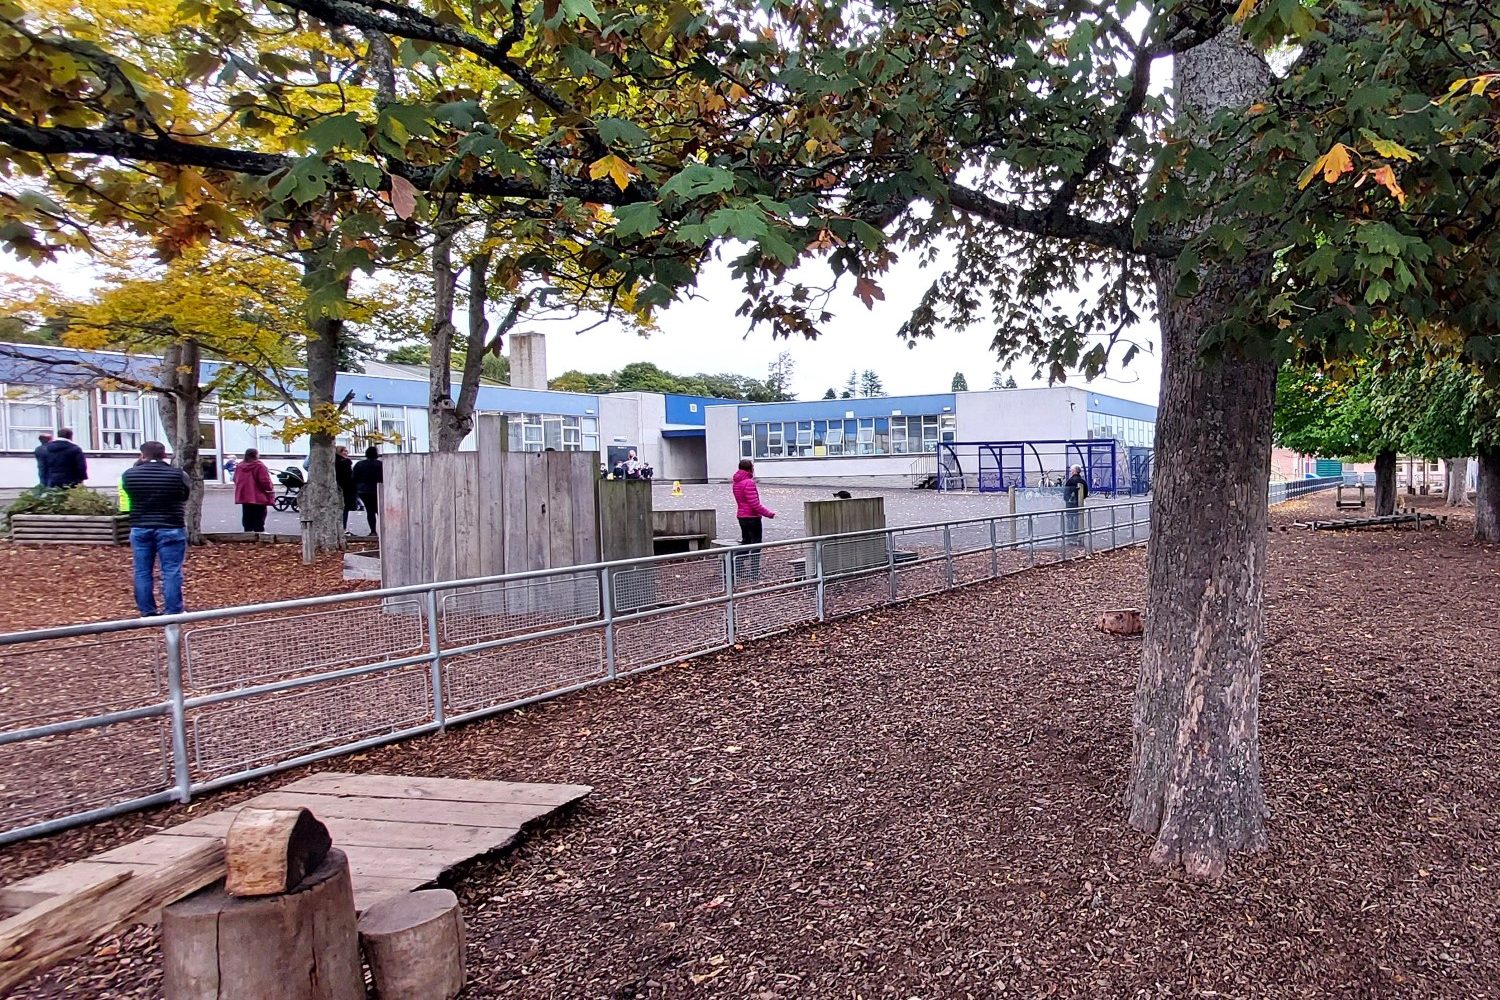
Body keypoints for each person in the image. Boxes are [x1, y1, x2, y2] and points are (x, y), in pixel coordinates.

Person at [120, 441, 191, 617]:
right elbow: (184, 495)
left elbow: (130, 495)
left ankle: (147, 610)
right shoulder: (177, 474)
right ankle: (173, 609)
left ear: (142, 455)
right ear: (164, 455)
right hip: (170, 524)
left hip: (141, 525)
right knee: (171, 570)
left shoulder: (129, 475)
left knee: (142, 570)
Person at [731, 458, 775, 579]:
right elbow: (754, 504)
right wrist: (769, 514)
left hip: (741, 516)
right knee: (755, 545)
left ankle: (738, 568)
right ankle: (754, 573)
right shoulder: (749, 482)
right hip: (752, 518)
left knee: (746, 543)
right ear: (750, 468)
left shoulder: (736, 482)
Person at [233, 447, 274, 532]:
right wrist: (269, 489)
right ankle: (259, 535)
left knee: (247, 515)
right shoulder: (259, 466)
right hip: (258, 495)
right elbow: (265, 481)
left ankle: (247, 534)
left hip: (244, 495)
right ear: (255, 455)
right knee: (259, 516)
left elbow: (235, 479)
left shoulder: (240, 466)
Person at [352, 445, 382, 536]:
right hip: (377, 489)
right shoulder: (380, 464)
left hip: (363, 490)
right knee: (379, 510)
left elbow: (354, 478)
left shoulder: (359, 464)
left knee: (370, 511)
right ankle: (383, 529)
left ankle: (373, 530)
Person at [335, 446, 358, 532]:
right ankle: (343, 528)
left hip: (339, 488)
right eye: (344, 451)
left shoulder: (334, 462)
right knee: (344, 510)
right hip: (345, 490)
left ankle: (341, 528)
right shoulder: (345, 463)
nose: (346, 453)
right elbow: (349, 477)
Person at [1064, 464, 1089, 535]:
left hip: (1070, 506)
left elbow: (1065, 495)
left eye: (1072, 470)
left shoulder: (1069, 481)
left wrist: (1069, 500)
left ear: (1074, 471)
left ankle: (1070, 535)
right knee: (1078, 521)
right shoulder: (1083, 482)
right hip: (1079, 505)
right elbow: (1085, 494)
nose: (1071, 472)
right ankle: (1079, 534)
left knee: (1070, 521)